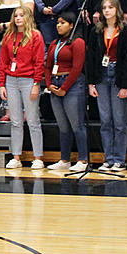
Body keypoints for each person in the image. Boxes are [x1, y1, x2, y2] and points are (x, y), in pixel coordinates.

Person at [85, 0, 127, 172]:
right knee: (105, 120)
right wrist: (91, 83)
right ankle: (109, 158)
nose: (107, 10)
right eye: (104, 7)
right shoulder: (96, 31)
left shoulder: (125, 31)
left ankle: (120, 159)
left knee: (119, 121)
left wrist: (125, 85)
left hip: (117, 75)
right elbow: (90, 59)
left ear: (117, 10)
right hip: (101, 76)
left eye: (110, 7)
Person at [0, 7, 45, 170]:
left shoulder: (35, 36)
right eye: (15, 16)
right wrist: (1, 84)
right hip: (11, 80)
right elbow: (3, 61)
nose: (18, 18)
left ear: (28, 17)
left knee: (33, 120)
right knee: (15, 121)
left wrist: (36, 83)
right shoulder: (9, 36)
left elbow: (39, 62)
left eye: (21, 15)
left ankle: (38, 157)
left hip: (28, 80)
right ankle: (16, 156)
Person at [44, 12, 88, 172]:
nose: (58, 25)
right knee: (63, 126)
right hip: (55, 84)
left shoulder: (78, 42)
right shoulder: (55, 43)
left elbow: (77, 68)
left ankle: (83, 160)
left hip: (72, 84)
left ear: (71, 25)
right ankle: (65, 159)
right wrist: (49, 84)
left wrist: (65, 88)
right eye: (57, 23)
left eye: (63, 23)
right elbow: (47, 66)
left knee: (77, 124)